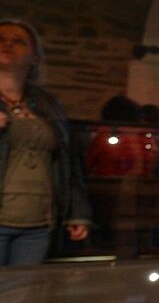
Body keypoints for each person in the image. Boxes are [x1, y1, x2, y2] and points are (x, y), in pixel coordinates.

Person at [0, 18, 91, 265]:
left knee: (24, 287)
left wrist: (77, 212)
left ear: (34, 57)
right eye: (1, 39)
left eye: (18, 41)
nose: (8, 44)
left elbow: (68, 161)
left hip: (38, 220)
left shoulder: (47, 103)